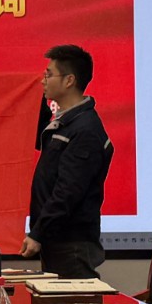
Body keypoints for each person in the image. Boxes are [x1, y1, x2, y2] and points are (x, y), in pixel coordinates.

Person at [22, 44, 113, 278]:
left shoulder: (85, 130)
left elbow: (68, 192)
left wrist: (38, 233)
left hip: (72, 244)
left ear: (69, 80)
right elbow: (37, 137)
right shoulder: (65, 122)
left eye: (48, 74)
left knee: (74, 301)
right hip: (57, 240)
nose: (42, 80)